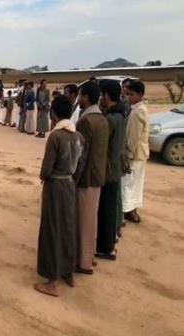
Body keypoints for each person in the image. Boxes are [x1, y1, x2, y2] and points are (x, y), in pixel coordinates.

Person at [35, 95, 84, 297]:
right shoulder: (78, 136)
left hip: (55, 185)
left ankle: (52, 280)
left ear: (53, 113)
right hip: (70, 185)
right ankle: (67, 272)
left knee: (52, 229)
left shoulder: (56, 137)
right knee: (68, 228)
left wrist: (43, 177)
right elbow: (80, 166)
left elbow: (47, 168)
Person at [75, 81, 109, 274]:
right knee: (91, 220)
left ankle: (84, 262)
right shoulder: (101, 118)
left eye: (80, 96)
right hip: (97, 176)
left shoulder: (86, 121)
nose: (79, 100)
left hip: (86, 178)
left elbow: (82, 155)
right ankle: (90, 255)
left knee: (84, 222)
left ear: (86, 97)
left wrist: (74, 179)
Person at [96, 80, 126, 260]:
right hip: (115, 168)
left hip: (107, 169)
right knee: (111, 206)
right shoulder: (121, 115)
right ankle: (110, 242)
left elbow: (102, 146)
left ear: (106, 96)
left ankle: (105, 248)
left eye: (102, 95)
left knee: (106, 209)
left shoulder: (110, 119)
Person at [122, 80, 149, 223]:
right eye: (127, 94)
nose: (129, 97)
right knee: (133, 184)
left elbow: (133, 138)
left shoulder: (138, 112)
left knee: (130, 184)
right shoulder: (138, 109)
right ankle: (130, 210)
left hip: (135, 155)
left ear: (140, 94)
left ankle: (129, 211)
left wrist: (127, 155)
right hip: (138, 154)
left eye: (131, 94)